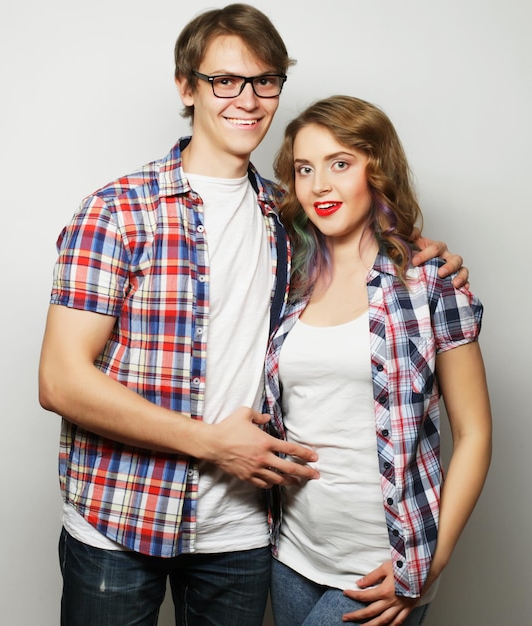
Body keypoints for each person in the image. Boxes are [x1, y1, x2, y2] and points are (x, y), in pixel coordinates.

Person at [38, 4, 466, 625]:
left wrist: (428, 254)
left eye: (265, 81)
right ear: (187, 88)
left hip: (242, 533)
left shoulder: (293, 216)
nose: (248, 98)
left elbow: (369, 248)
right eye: (224, 80)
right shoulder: (117, 212)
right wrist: (211, 444)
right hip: (121, 514)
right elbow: (60, 380)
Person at [265, 94, 492, 626]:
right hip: (294, 552)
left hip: (383, 564)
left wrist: (426, 566)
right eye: (305, 168)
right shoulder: (289, 281)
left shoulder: (430, 281)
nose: (319, 185)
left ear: (377, 170)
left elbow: (476, 433)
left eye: (340, 164)